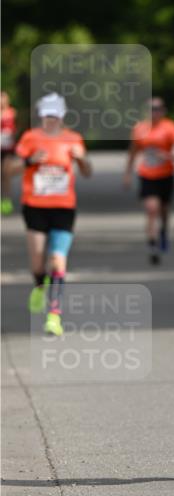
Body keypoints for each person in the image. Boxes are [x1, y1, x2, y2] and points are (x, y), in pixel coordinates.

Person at [11, 92, 92, 335]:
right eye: (47, 115)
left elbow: (87, 172)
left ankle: (54, 315)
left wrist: (82, 159)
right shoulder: (30, 138)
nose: (51, 120)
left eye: (55, 115)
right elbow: (8, 169)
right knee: (38, 263)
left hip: (63, 207)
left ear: (62, 116)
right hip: (35, 207)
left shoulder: (73, 139)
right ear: (41, 115)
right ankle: (39, 285)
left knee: (57, 261)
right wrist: (30, 161)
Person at [124, 97, 174, 264]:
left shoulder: (170, 127)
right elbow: (133, 151)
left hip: (166, 175)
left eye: (157, 108)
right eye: (151, 108)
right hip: (147, 174)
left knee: (164, 210)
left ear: (163, 111)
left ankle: (163, 231)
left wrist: (169, 156)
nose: (154, 112)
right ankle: (152, 244)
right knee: (152, 209)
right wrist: (128, 173)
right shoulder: (140, 128)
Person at [1, 90, 17, 215]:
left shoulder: (13, 112)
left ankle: (6, 201)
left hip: (8, 149)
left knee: (6, 174)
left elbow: (18, 128)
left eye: (4, 98)